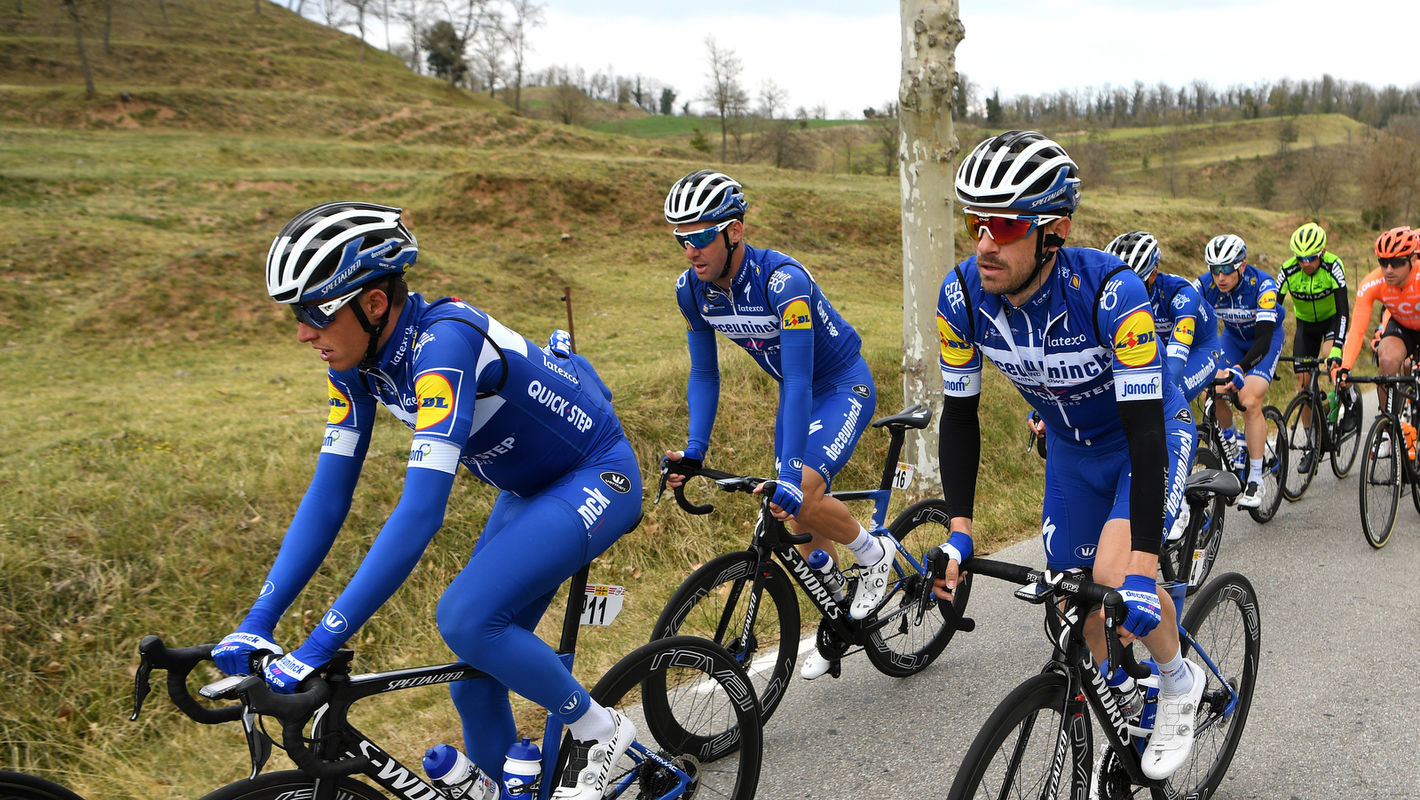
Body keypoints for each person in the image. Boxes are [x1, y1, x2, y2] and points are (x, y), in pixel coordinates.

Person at [211, 201, 643, 800]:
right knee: (473, 681)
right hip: (528, 489)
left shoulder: (443, 346)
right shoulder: (356, 365)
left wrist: (318, 645)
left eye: (315, 313)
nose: (304, 332)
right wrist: (258, 624)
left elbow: (420, 512)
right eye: (296, 315)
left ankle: (603, 731)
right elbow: (329, 495)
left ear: (374, 303)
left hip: (595, 474)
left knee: (465, 618)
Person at [933, 130, 1202, 780]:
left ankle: (1177, 677)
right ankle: (1118, 691)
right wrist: (960, 533)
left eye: (1003, 224)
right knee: (1071, 604)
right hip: (1073, 456)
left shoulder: (1112, 293)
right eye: (975, 222)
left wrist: (1141, 564)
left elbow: (1144, 434)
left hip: (1146, 440)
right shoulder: (962, 297)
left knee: (1116, 580)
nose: (985, 242)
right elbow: (960, 416)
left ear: (1054, 229)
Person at [658, 169, 882, 680]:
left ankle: (873, 557)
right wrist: (695, 449)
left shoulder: (783, 281)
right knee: (794, 517)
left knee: (798, 489)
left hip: (839, 384)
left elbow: (801, 378)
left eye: (698, 237)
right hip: (795, 392)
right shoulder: (692, 292)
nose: (690, 251)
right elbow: (703, 371)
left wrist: (789, 468)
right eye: (680, 240)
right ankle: (839, 608)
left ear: (733, 230)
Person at [1104, 231, 1219, 541]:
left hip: (1197, 349)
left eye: (1137, 281)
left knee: (1168, 400)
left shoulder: (1181, 294)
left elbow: (1176, 363)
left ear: (1153, 273)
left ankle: (1176, 500)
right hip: (1153, 350)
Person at [1196, 233, 1286, 508]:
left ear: (1242, 266)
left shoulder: (1264, 286)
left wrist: (1240, 369)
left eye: (1226, 270)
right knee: (1210, 392)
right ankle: (1233, 442)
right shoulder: (1203, 286)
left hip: (1263, 342)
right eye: (1214, 270)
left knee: (1249, 401)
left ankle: (1256, 479)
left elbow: (1262, 340)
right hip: (1233, 339)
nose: (1220, 277)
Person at [1276, 222, 1357, 472]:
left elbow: (1344, 311)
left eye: (1311, 257)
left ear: (1321, 253)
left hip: (1332, 321)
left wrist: (1337, 348)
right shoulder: (1288, 270)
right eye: (1300, 258)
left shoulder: (1334, 266)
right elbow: (1272, 313)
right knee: (1302, 382)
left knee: (1328, 358)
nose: (1305, 263)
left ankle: (1349, 397)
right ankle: (1312, 441)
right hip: (1306, 326)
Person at [1334, 226, 1420, 457]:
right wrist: (1345, 366)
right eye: (1383, 262)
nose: (1388, 269)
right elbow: (1356, 330)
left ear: (1413, 259)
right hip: (1403, 325)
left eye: (1397, 262)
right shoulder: (1372, 283)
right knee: (1387, 359)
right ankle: (1388, 425)